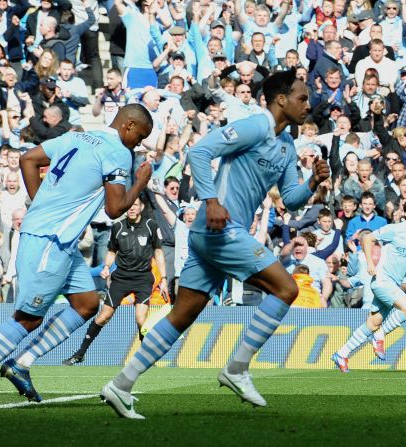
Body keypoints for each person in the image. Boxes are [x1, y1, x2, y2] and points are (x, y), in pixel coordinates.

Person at [101, 69, 330, 418]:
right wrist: (210, 200)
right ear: (281, 99)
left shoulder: (286, 145)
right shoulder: (255, 127)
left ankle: (120, 385)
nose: (307, 104)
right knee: (285, 288)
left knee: (182, 314)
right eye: (301, 98)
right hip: (220, 229)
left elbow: (291, 199)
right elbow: (200, 152)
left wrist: (312, 182)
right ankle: (237, 368)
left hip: (217, 235)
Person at [0, 104, 154, 410]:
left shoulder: (78, 137)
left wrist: (39, 202)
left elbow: (28, 158)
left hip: (59, 240)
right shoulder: (119, 152)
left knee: (86, 304)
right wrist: (141, 181)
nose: (141, 142)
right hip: (49, 240)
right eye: (142, 134)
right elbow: (114, 210)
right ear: (128, 125)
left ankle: (21, 364)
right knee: (29, 318)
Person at [62, 198, 168, 366]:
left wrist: (163, 278)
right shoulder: (118, 227)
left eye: (135, 206)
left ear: (140, 207)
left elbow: (159, 252)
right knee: (104, 317)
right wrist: (106, 266)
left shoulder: (150, 226)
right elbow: (112, 251)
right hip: (121, 279)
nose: (132, 209)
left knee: (141, 320)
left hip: (143, 279)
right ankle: (80, 353)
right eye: (129, 206)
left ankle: (146, 358)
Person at [332, 196, 406, 372]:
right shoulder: (394, 229)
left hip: (394, 284)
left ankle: (342, 353)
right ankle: (380, 336)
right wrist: (370, 263)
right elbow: (368, 238)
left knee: (373, 322)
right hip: (382, 281)